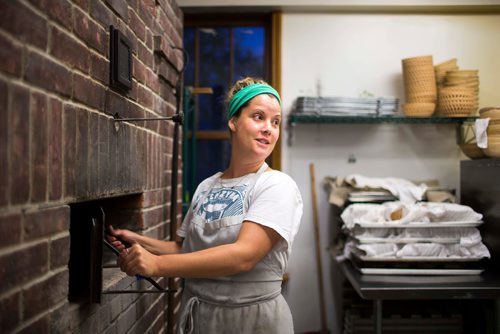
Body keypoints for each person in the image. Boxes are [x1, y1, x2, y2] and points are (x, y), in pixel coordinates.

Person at [107, 77, 303, 334]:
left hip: (253, 320)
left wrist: (156, 265)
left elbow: (244, 256)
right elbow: (183, 248)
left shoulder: (277, 185)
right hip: (201, 318)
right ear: (233, 121)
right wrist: (139, 242)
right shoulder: (207, 186)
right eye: (258, 117)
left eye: (275, 122)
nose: (269, 128)